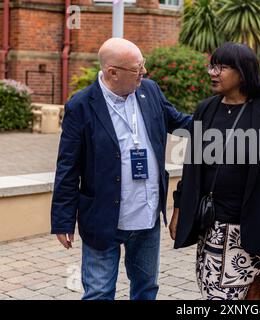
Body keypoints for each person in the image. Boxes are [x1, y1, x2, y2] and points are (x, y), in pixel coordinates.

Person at [51, 38, 191, 300]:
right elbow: (67, 167)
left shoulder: (149, 91)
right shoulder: (81, 106)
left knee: (146, 289)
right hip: (103, 218)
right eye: (137, 68)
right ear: (112, 72)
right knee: (99, 293)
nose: (144, 73)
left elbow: (181, 123)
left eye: (143, 66)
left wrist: (222, 118)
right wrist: (63, 219)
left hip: (147, 215)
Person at [169, 42, 260, 300]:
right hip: (213, 225)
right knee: (214, 292)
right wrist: (179, 209)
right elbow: (192, 166)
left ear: (243, 72)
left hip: (254, 221)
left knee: (256, 293)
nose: (213, 73)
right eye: (212, 66)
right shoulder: (205, 109)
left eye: (222, 67)